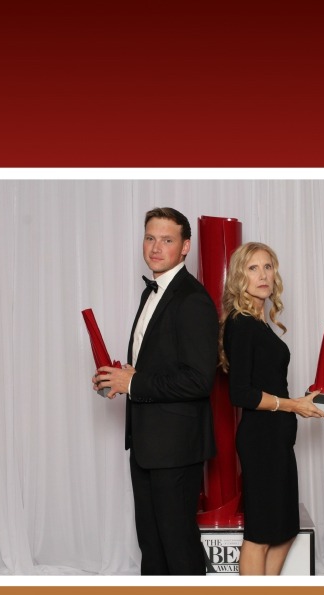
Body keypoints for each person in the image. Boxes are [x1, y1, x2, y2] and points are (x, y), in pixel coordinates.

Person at [94, 207, 219, 575]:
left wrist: (133, 383)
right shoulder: (153, 292)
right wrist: (119, 377)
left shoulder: (192, 299)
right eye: (150, 238)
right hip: (147, 445)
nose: (155, 247)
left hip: (176, 449)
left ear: (185, 247)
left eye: (167, 240)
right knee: (152, 546)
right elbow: (161, 364)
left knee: (178, 549)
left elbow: (199, 380)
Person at [219, 242, 324, 575]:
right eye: (253, 268)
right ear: (240, 277)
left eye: (267, 267)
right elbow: (241, 394)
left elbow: (269, 384)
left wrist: (304, 401)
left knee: (284, 529)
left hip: (277, 438)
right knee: (261, 534)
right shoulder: (241, 324)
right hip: (261, 441)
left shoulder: (259, 324)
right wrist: (294, 405)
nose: (263, 275)